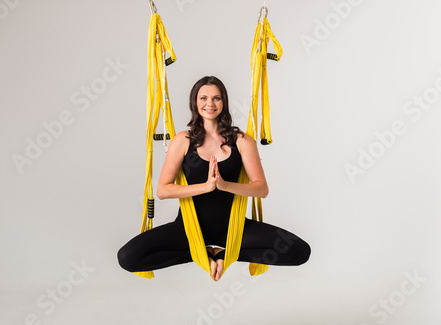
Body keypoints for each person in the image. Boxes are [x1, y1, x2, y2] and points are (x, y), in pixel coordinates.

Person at [117, 76, 310, 281]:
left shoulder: (241, 141)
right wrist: (206, 187)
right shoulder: (183, 140)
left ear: (224, 102)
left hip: (233, 229)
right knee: (129, 257)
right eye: (204, 98)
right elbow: (163, 190)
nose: (210, 104)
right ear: (195, 102)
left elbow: (261, 189)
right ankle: (199, 254)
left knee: (299, 251)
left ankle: (223, 255)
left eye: (216, 98)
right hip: (189, 229)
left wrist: (224, 185)